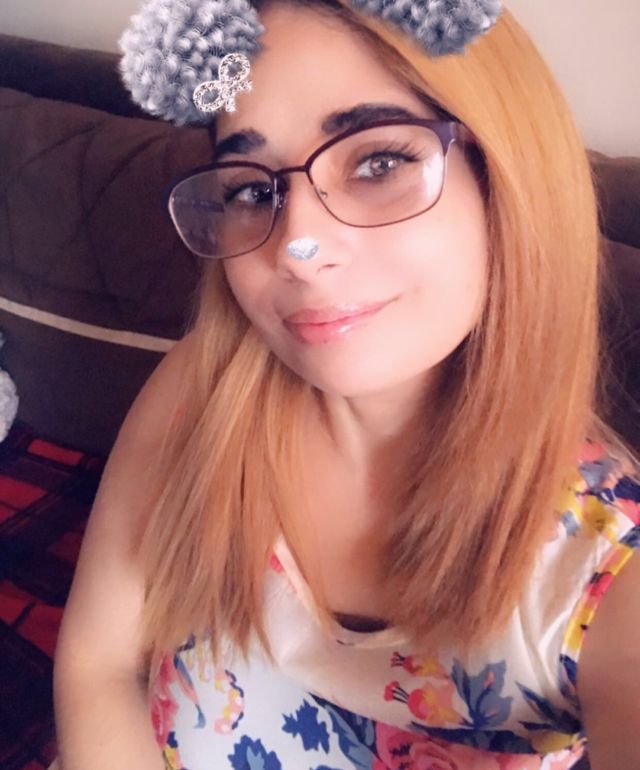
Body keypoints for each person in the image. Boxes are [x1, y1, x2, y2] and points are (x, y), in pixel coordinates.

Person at [53, 0, 640, 768]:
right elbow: (97, 666)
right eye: (252, 189)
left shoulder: (610, 569)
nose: (297, 249)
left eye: (378, 163)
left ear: (508, 181)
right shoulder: (202, 390)